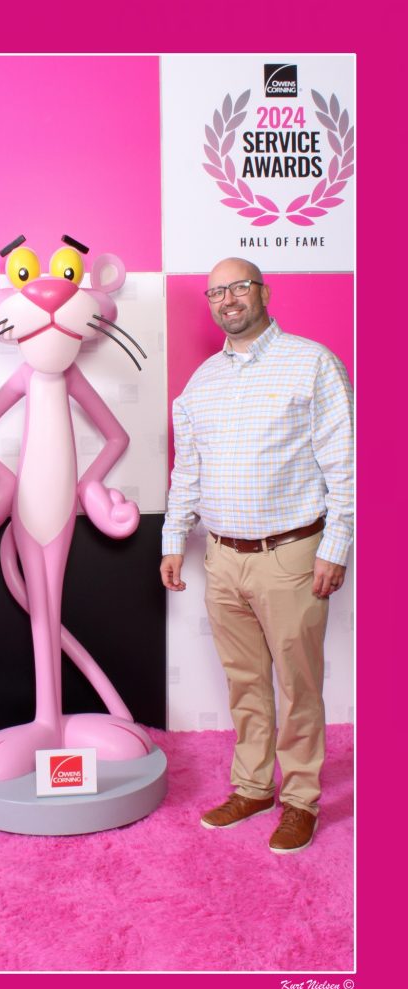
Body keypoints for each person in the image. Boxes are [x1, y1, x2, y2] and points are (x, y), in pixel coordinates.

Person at [160, 258, 353, 854]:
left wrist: (337, 544)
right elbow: (188, 470)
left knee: (298, 685)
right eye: (216, 291)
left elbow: (343, 462)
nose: (227, 299)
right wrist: (173, 538)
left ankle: (299, 800)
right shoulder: (201, 383)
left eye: (238, 286)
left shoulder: (312, 362)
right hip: (221, 558)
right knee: (244, 682)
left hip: (291, 555)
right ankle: (252, 786)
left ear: (263, 292)